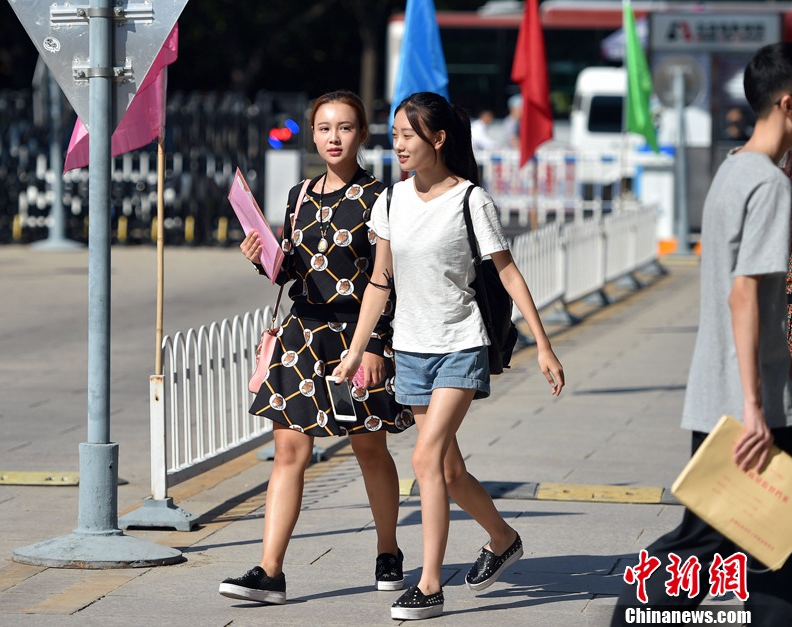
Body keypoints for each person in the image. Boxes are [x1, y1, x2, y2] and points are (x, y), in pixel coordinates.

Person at [333, 91, 565, 621]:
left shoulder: (470, 201)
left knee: (424, 459)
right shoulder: (389, 201)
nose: (399, 145)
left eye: (409, 135)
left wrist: (544, 346)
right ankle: (503, 538)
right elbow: (378, 282)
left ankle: (431, 584)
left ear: (438, 139)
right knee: (449, 469)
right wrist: (355, 351)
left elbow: (508, 273)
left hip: (461, 344)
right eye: (394, 135)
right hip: (411, 350)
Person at [610, 42, 792, 626]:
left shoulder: (734, 166)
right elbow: (744, 292)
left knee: (773, 547)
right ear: (788, 104)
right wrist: (755, 407)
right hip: (749, 406)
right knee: (709, 545)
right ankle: (629, 612)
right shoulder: (769, 185)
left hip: (725, 394)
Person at [219, 90, 411, 606]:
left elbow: (390, 279)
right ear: (312, 133)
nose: (333, 137)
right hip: (302, 336)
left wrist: (374, 344)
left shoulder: (383, 198)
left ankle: (388, 551)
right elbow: (295, 271)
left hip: (359, 338)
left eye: (345, 128)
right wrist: (261, 258)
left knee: (369, 446)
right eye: (324, 128)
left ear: (362, 135)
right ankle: (270, 570)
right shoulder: (299, 194)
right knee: (289, 449)